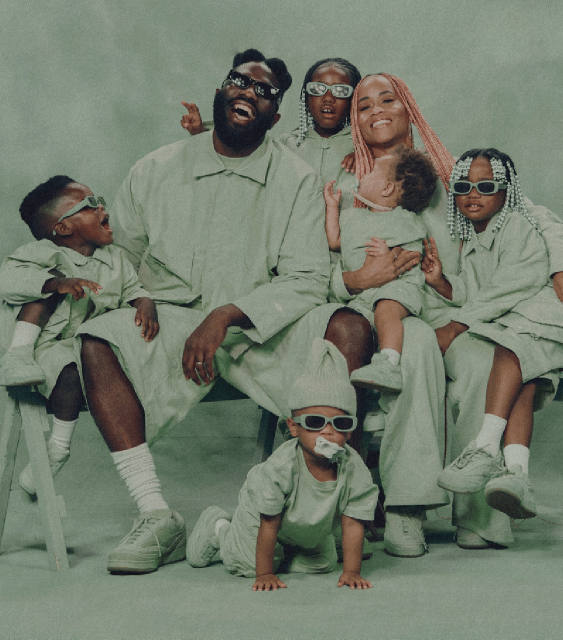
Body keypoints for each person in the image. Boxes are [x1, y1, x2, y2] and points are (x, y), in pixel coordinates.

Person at [77, 49, 372, 574]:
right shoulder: (155, 168)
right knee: (100, 339)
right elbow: (119, 257)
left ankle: (313, 513)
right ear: (220, 92)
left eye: (265, 92)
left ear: (275, 117)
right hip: (173, 317)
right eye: (240, 81)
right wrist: (133, 297)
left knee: (348, 326)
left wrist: (230, 314)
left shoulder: (297, 178)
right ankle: (155, 515)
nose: (249, 92)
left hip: (261, 324)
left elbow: (306, 277)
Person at [329, 73, 563, 555]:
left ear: (409, 108)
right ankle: (407, 508)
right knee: (415, 353)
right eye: (363, 105)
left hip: (460, 307)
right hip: (392, 311)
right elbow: (321, 258)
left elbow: (532, 214)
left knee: (483, 363)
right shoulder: (349, 183)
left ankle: (484, 513)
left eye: (388, 99)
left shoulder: (450, 171)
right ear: (355, 122)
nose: (376, 110)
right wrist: (359, 277)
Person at [422, 148, 563, 526]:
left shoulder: (517, 224)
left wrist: (455, 326)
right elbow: (478, 292)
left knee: (508, 350)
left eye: (486, 186)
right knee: (522, 382)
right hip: (521, 326)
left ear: (506, 190)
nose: (473, 194)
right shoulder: (474, 239)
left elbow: (514, 284)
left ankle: (484, 447)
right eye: (463, 187)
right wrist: (442, 283)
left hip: (552, 321)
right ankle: (516, 474)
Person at [0, 175, 158, 496]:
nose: (102, 207)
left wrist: (144, 302)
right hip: (26, 340)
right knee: (48, 282)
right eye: (90, 204)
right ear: (64, 227)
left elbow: (133, 288)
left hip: (65, 346)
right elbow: (7, 282)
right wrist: (56, 284)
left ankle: (58, 446)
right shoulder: (40, 252)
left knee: (70, 373)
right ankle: (18, 355)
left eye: (100, 200)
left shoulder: (115, 260)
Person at [186, 338, 378, 590]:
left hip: (303, 528)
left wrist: (351, 572)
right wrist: (265, 573)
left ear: (350, 431)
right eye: (314, 422)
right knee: (248, 565)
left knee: (324, 565)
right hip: (262, 514)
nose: (327, 432)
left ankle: (291, 548)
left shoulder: (354, 469)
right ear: (293, 427)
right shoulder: (282, 467)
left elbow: (352, 522)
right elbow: (269, 522)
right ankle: (221, 529)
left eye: (340, 424)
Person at [324, 148, 437, 392]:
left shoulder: (403, 220)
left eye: (372, 172)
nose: (363, 175)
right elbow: (335, 241)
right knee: (351, 327)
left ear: (386, 188)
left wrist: (388, 253)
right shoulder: (353, 216)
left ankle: (388, 364)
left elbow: (413, 253)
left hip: (397, 290)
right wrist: (332, 207)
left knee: (386, 310)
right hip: (362, 296)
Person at [182, 57, 362, 187]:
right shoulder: (286, 144)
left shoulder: (363, 147)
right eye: (317, 89)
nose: (328, 98)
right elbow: (243, 150)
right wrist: (200, 132)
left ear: (354, 100)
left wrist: (366, 153)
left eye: (341, 91)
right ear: (306, 98)